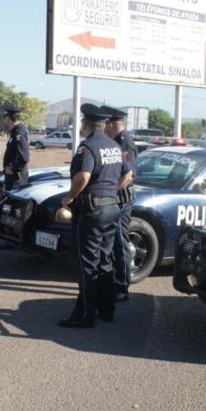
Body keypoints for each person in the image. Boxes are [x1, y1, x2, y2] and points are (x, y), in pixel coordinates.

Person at [58, 104, 132, 328]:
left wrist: (69, 198)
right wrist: (111, 192)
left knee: (87, 264)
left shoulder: (87, 147)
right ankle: (107, 310)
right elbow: (128, 173)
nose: (80, 126)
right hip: (111, 209)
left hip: (91, 212)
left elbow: (83, 176)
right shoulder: (114, 146)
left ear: (86, 124)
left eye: (81, 123)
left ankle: (85, 315)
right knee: (105, 261)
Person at [102, 105, 139, 304]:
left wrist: (112, 191)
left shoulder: (125, 142)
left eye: (106, 123)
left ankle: (123, 286)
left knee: (119, 240)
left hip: (122, 198)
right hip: (115, 197)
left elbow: (129, 174)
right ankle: (112, 281)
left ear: (111, 123)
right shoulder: (114, 141)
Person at [2, 102, 30, 191]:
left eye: (5, 116)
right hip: (13, 174)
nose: (4, 119)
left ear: (9, 118)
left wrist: (13, 170)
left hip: (17, 176)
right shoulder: (14, 131)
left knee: (14, 203)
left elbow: (24, 157)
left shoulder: (19, 131)